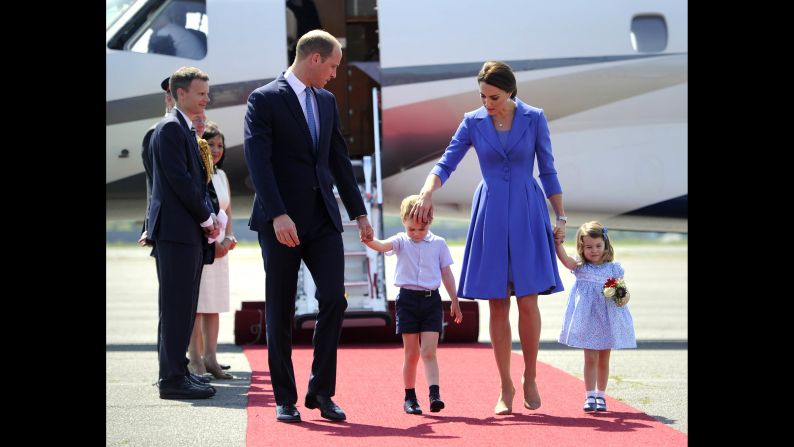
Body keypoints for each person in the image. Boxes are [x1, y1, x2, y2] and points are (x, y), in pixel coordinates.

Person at [410, 61, 567, 414]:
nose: (487, 103)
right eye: (482, 96)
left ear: (510, 91)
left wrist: (561, 215)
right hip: (492, 210)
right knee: (497, 301)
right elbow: (446, 162)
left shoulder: (535, 117)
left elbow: (548, 168)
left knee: (528, 299)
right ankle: (505, 385)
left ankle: (530, 376)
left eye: (493, 96)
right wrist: (426, 191)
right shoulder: (472, 121)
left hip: (528, 209)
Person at [243, 29, 374, 423]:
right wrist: (277, 213)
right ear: (314, 59)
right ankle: (286, 397)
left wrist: (360, 212)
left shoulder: (327, 101)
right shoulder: (264, 99)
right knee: (281, 309)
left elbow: (337, 159)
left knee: (334, 298)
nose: (335, 74)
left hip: (321, 218)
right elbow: (258, 163)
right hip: (281, 220)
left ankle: (321, 392)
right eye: (333, 65)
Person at [148, 66, 219, 399]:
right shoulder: (171, 130)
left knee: (184, 306)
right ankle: (172, 379)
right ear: (181, 94)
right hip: (177, 232)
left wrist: (207, 217)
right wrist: (207, 218)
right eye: (201, 92)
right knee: (176, 307)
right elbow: (180, 182)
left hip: (185, 232)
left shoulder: (185, 129)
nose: (207, 98)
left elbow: (196, 182)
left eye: (207, 92)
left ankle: (179, 371)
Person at [363, 195, 462, 415]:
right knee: (412, 353)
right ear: (403, 223)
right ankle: (410, 397)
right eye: (411, 229)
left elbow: (447, 273)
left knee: (429, 351)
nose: (416, 234)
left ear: (430, 221)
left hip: (431, 301)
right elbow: (381, 245)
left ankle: (434, 394)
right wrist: (369, 240)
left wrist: (454, 300)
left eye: (421, 229)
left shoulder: (439, 244)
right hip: (407, 301)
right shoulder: (400, 240)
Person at [553, 221, 636, 412]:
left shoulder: (614, 269)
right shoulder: (580, 266)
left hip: (608, 319)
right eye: (588, 247)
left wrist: (620, 295)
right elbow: (566, 261)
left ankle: (601, 396)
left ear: (606, 244)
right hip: (589, 319)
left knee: (604, 360)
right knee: (590, 358)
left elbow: (621, 292)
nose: (594, 250)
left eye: (598, 246)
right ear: (582, 248)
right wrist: (558, 244)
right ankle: (589, 395)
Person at [187, 121, 237, 380]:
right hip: (204, 247)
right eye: (212, 144)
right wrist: (215, 244)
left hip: (220, 250)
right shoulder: (198, 173)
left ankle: (212, 359)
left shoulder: (221, 175)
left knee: (214, 305)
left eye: (220, 145)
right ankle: (195, 360)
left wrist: (229, 238)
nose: (217, 149)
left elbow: (227, 210)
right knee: (197, 306)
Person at [139, 77, 175, 247]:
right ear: (168, 98)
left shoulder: (195, 130)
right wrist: (150, 225)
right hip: (168, 227)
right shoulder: (156, 133)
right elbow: (155, 184)